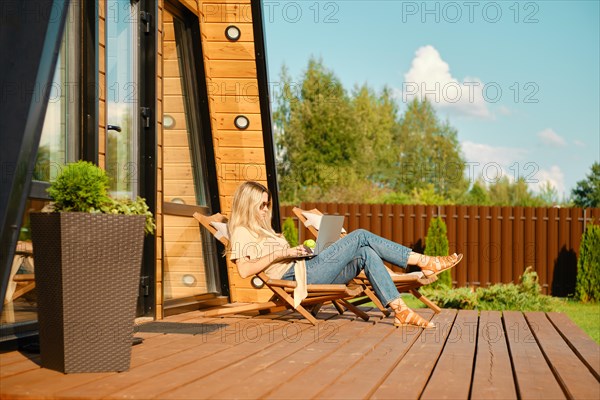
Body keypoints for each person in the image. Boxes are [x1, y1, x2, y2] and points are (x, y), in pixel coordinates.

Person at [227, 181, 463, 329]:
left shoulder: (264, 230)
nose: (266, 209)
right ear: (248, 205)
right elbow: (245, 270)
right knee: (360, 235)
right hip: (295, 277)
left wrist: (301, 251)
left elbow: (282, 255)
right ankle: (425, 261)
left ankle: (400, 310)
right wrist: (284, 252)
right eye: (262, 205)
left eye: (267, 204)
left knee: (365, 252)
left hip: (307, 268)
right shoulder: (241, 231)